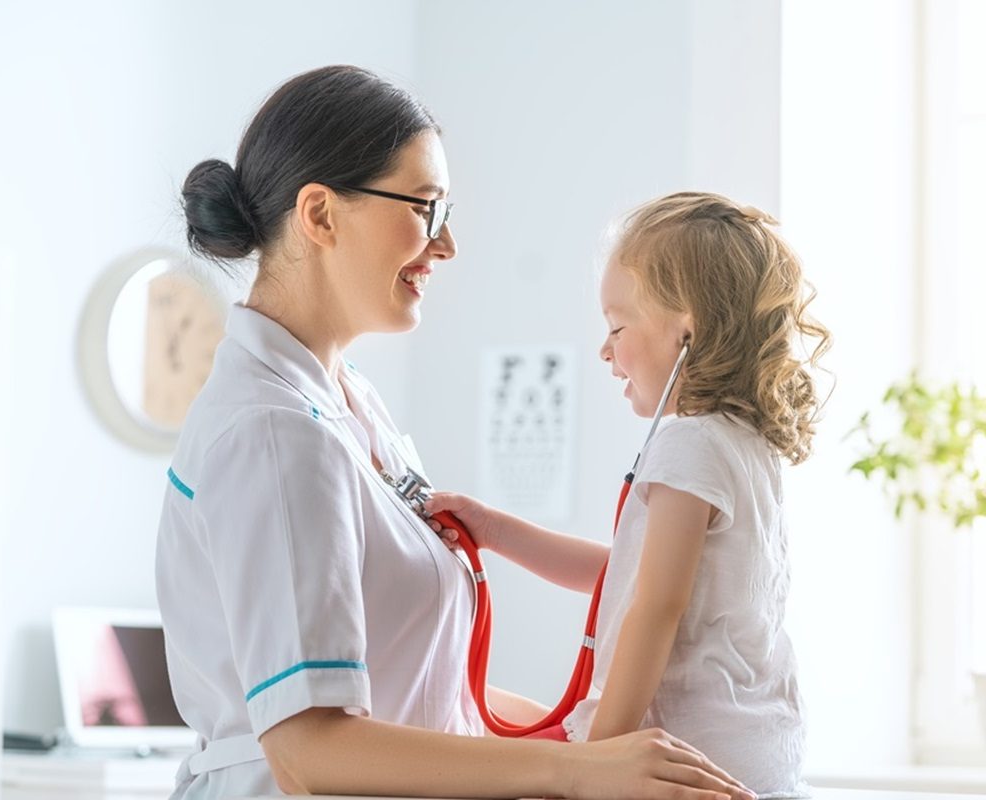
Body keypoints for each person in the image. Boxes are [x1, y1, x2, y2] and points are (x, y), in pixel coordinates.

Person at [155, 66, 755, 800]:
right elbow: (310, 752)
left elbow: (423, 694)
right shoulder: (271, 433)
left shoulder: (349, 406)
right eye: (426, 209)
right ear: (319, 215)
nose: (447, 246)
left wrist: (606, 746)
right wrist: (575, 770)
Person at [426, 192, 831, 796]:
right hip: (755, 756)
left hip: (682, 759)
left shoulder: (687, 443)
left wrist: (596, 758)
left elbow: (656, 607)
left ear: (688, 334)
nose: (605, 350)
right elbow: (629, 579)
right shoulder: (746, 446)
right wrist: (496, 529)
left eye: (617, 326)